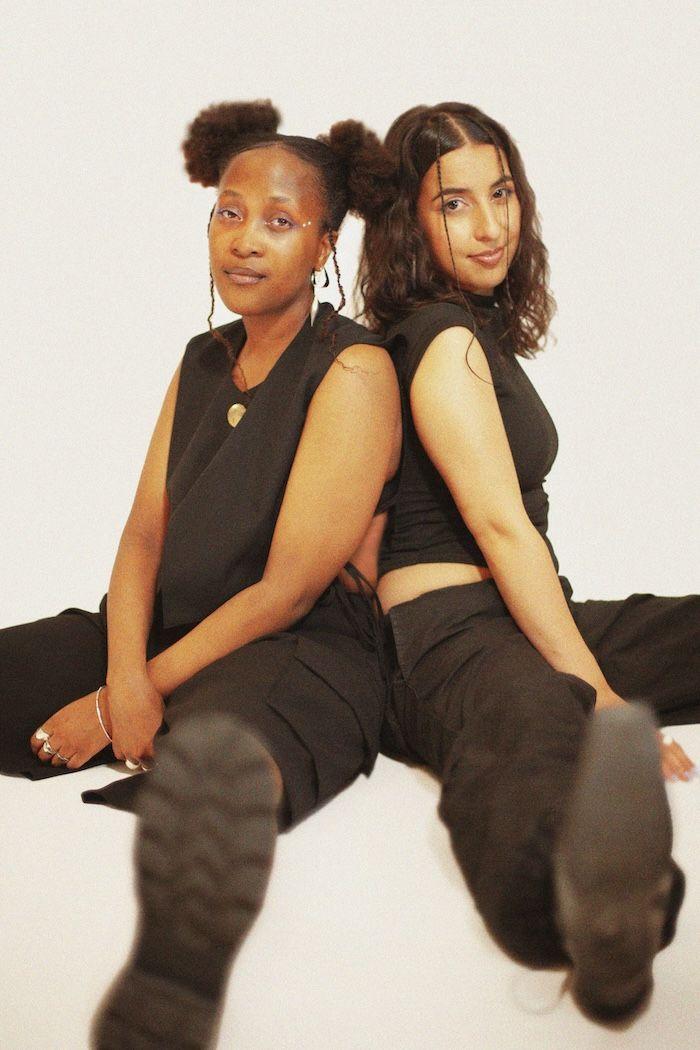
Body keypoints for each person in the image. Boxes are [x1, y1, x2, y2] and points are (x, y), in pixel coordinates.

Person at [0, 100, 400, 1048]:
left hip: (299, 648)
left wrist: (118, 706)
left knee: (218, 773)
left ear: (325, 245)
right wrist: (123, 675)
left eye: (279, 221)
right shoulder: (202, 359)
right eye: (229, 213)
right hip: (170, 628)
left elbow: (288, 590)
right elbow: (143, 535)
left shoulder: (353, 372)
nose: (245, 240)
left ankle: (177, 966)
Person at [357, 101, 698, 1022]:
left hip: (523, 609)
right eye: (455, 203)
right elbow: (502, 530)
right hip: (449, 636)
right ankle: (596, 910)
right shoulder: (442, 339)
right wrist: (602, 694)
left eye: (501, 193)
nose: (491, 223)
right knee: (537, 726)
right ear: (409, 224)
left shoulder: (475, 329)